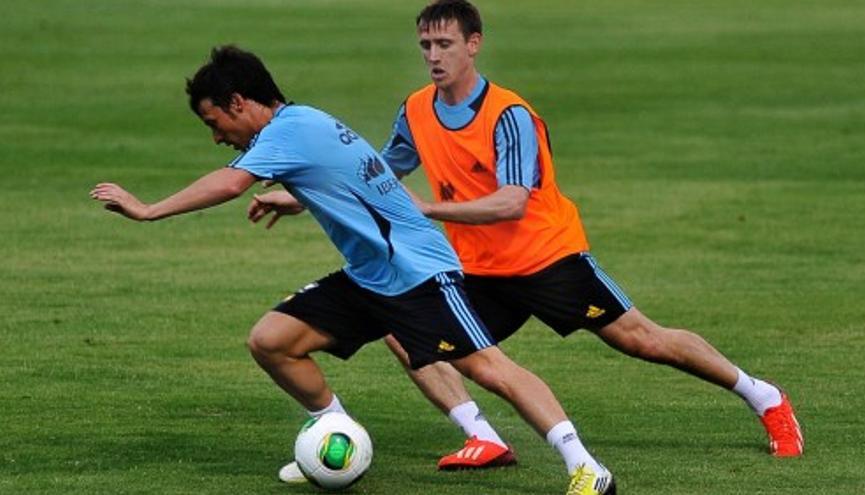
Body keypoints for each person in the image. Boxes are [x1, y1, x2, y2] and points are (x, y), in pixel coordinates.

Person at [251, 1, 802, 489]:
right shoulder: (417, 109)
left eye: (445, 44)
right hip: (474, 268)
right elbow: (376, 173)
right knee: (403, 328)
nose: (434, 56)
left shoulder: (507, 115)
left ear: (474, 44)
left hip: (547, 258)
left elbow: (510, 203)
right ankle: (482, 435)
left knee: (642, 340)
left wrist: (427, 209)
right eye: (425, 45)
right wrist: (302, 199)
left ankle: (763, 396)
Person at [90, 45, 616, 495]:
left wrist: (147, 209)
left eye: (215, 123)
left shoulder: (288, 129)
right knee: (272, 340)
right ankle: (334, 433)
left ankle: (586, 468)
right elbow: (356, 176)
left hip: (417, 272)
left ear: (238, 103)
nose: (217, 136)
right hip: (370, 276)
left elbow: (229, 185)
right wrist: (302, 198)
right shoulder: (302, 124)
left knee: (489, 368)